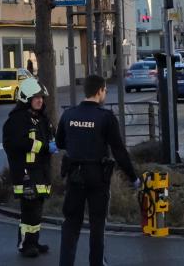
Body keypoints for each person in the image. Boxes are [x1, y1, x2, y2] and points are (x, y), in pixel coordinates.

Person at [56, 75, 141, 266]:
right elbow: (119, 151)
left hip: (74, 176)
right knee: (97, 224)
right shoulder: (106, 117)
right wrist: (133, 178)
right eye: (105, 91)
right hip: (97, 177)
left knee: (71, 223)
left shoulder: (69, 114)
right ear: (100, 91)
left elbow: (60, 142)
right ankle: (96, 263)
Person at [2, 78, 55, 258]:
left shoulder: (41, 118)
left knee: (37, 210)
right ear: (26, 98)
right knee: (29, 210)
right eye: (36, 97)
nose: (40, 100)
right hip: (25, 173)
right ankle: (25, 244)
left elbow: (50, 136)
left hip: (40, 171)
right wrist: (45, 146)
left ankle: (33, 241)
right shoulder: (17, 120)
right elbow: (17, 143)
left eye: (41, 97)